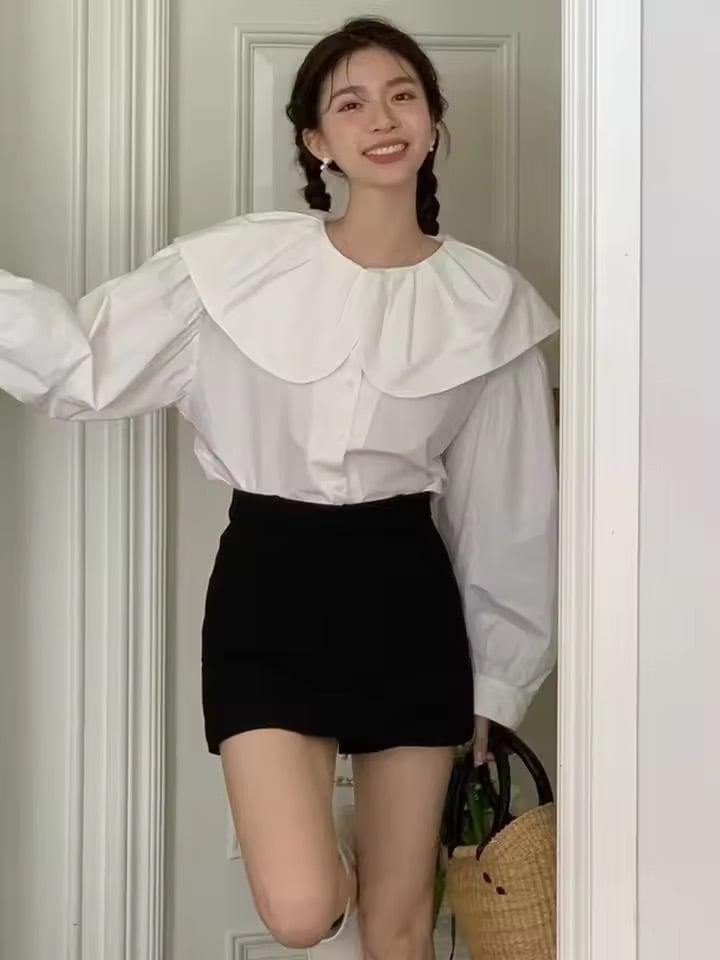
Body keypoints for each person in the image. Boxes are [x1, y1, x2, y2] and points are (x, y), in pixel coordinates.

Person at [0, 16, 558, 960]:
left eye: (403, 96)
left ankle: (387, 857)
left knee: (401, 927)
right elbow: (83, 364)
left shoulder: (489, 303)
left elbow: (508, 507)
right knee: (302, 908)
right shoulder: (234, 270)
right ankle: (341, 847)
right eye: (351, 103)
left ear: (433, 120)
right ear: (316, 139)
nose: (381, 119)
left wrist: (500, 677)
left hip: (408, 602)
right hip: (270, 588)